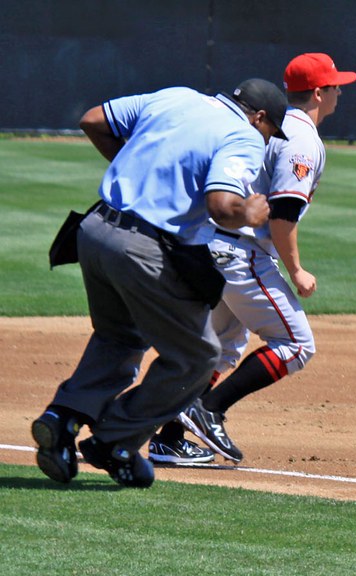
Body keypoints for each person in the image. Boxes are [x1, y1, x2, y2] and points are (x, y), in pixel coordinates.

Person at [31, 78, 288, 487]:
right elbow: (223, 207)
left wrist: (130, 173)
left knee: (120, 337)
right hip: (142, 249)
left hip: (95, 230)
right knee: (199, 357)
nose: (268, 139)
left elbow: (93, 119)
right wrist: (250, 213)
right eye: (271, 130)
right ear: (259, 117)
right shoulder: (243, 134)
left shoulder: (177, 96)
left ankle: (61, 418)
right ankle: (115, 441)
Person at [148, 53, 356, 464]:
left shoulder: (275, 124)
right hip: (239, 251)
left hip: (211, 242)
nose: (339, 92)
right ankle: (208, 409)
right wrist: (295, 269)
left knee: (223, 345)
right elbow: (283, 214)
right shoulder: (303, 140)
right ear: (319, 92)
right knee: (296, 344)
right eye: (336, 86)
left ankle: (170, 438)